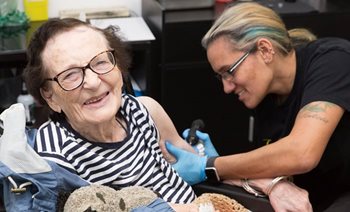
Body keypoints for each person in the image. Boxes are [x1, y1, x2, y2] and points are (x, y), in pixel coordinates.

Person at [165, 2, 350, 211]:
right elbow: (279, 168)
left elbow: (301, 153)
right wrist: (267, 184)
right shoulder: (267, 98)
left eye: (230, 71)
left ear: (264, 49)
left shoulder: (333, 60)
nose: (226, 87)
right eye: (221, 77)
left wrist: (211, 165)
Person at [22, 17, 202, 211]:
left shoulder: (144, 110)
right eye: (70, 74)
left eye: (100, 62)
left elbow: (194, 164)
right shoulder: (54, 159)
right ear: (51, 97)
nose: (93, 82)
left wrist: (209, 162)